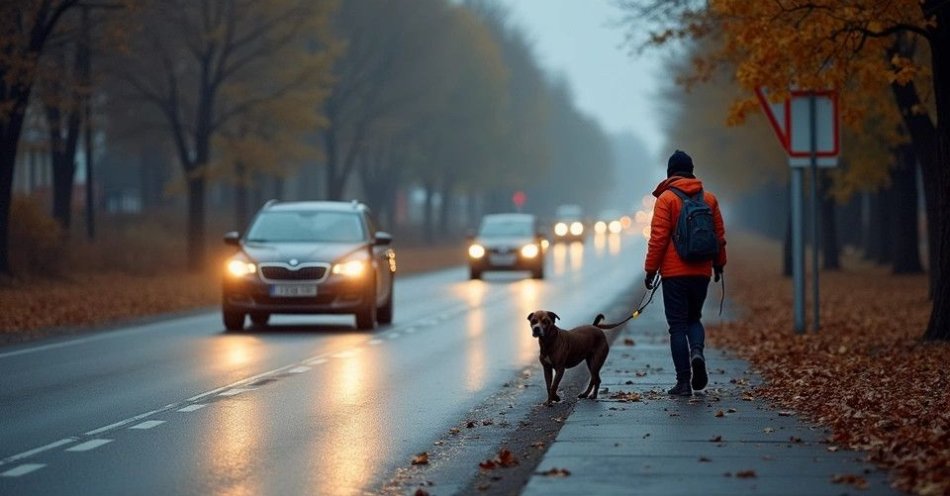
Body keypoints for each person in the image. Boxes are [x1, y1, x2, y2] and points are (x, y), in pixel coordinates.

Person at [643, 150, 727, 396]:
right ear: (691, 170)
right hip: (701, 271)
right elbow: (719, 237)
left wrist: (650, 270)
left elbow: (658, 239)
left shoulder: (666, 199)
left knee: (677, 326)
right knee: (694, 319)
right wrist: (718, 265)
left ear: (670, 172)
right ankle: (697, 352)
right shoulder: (708, 198)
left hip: (674, 273)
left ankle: (683, 383)